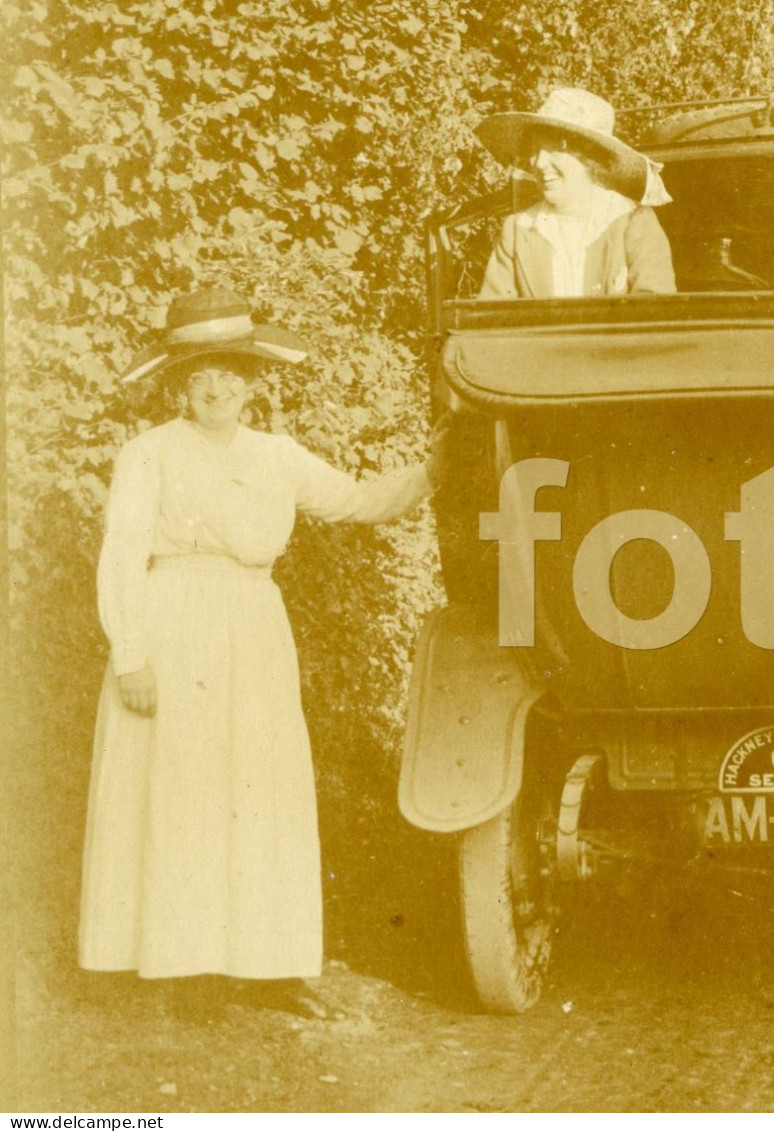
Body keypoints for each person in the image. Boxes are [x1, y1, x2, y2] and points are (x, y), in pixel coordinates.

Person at [80, 286, 453, 1017]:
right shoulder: (148, 455)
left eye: (229, 373)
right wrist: (131, 656)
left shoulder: (277, 455)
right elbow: (121, 555)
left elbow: (357, 500)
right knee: (181, 788)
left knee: (257, 787)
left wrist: (436, 467)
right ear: (179, 386)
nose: (216, 388)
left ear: (252, 382)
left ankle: (265, 961)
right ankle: (175, 963)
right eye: (199, 376)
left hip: (253, 626)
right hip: (173, 621)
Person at [474, 87, 676, 299]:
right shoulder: (518, 230)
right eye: (534, 151)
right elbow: (494, 318)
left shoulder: (632, 223)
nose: (539, 163)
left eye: (554, 150)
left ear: (589, 158)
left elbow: (654, 313)